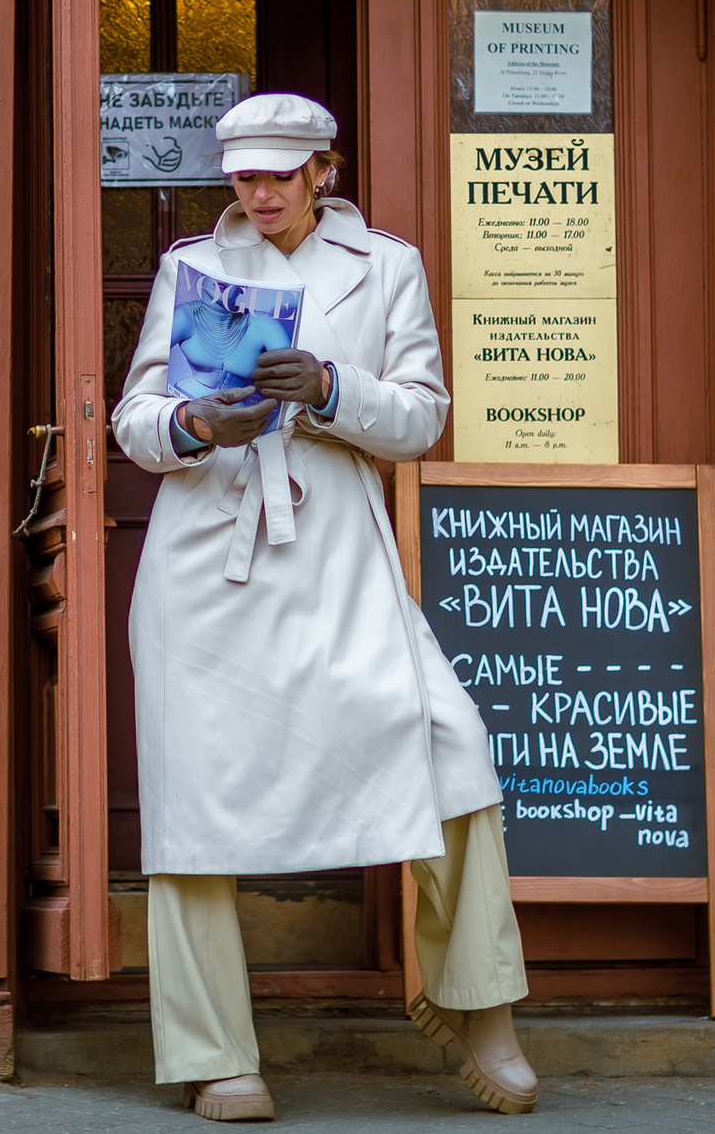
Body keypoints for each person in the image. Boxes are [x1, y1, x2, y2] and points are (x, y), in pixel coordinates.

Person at [112, 92, 537, 1124]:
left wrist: (331, 386)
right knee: (197, 799)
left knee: (450, 744)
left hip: (339, 545)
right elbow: (134, 419)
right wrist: (192, 422)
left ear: (322, 172)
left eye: (277, 175)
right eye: (243, 176)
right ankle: (216, 1053)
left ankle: (478, 1004)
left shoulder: (386, 265)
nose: (257, 193)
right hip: (206, 557)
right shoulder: (190, 268)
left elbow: (423, 418)